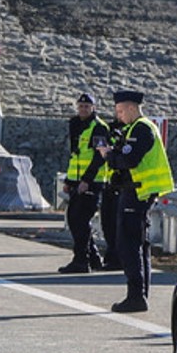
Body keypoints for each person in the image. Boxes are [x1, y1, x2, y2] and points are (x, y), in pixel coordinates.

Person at [91, 88, 174, 313]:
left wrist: (108, 155)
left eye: (120, 111)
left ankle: (135, 296)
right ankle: (139, 295)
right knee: (138, 244)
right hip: (136, 193)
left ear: (130, 107)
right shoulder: (134, 128)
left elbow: (130, 160)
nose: (118, 116)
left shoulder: (142, 129)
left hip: (137, 193)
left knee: (128, 245)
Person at [58, 92, 107, 273]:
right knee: (75, 219)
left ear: (93, 108)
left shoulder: (99, 127)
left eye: (87, 106)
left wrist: (86, 180)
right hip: (77, 181)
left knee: (80, 219)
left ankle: (81, 261)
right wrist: (69, 181)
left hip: (91, 181)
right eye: (81, 106)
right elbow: (75, 155)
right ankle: (93, 258)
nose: (83, 109)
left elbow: (99, 157)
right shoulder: (75, 124)